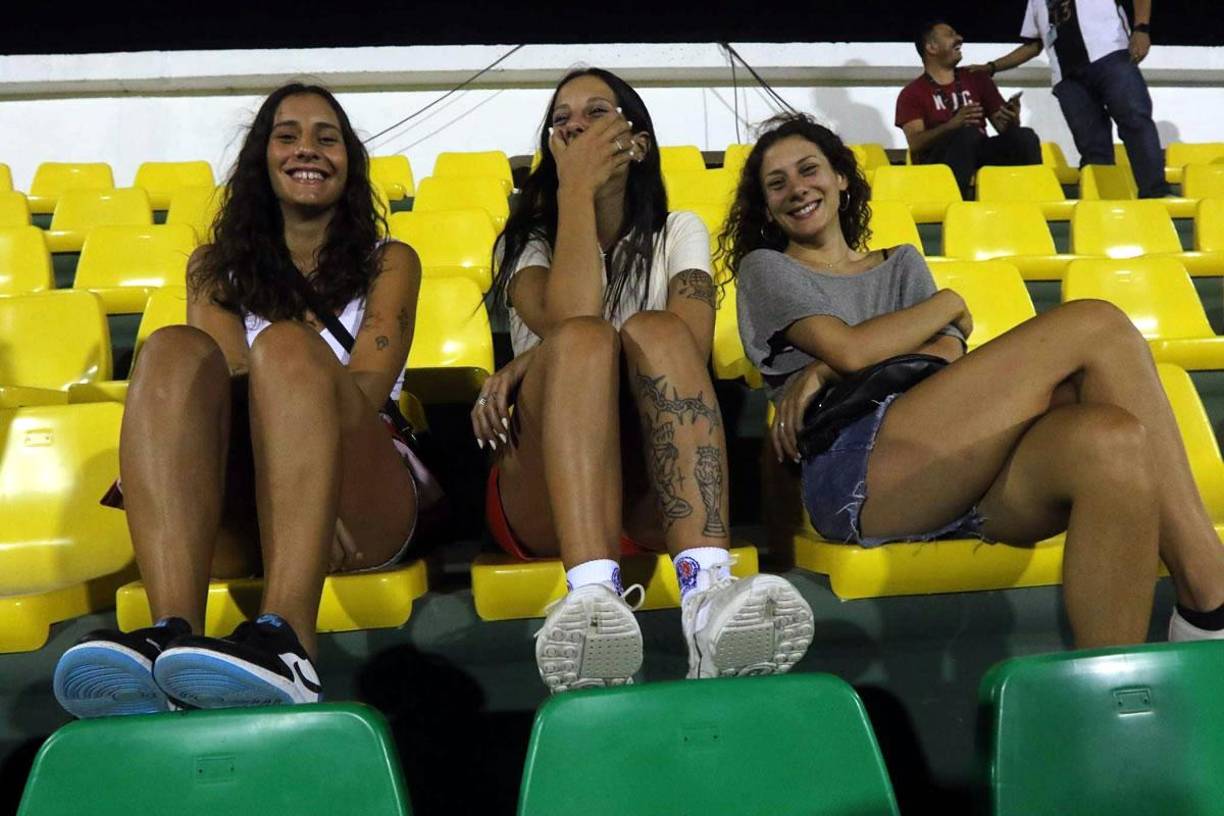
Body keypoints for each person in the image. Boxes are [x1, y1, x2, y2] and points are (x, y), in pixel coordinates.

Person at [722, 113, 1224, 649]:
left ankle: (1113, 681)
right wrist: (947, 302)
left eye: (809, 170)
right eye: (777, 184)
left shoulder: (901, 263)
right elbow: (853, 350)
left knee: (1112, 441)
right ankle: (1211, 599)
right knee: (1097, 324)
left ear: (841, 177)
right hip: (859, 472)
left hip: (954, 463)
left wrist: (824, 368)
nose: (797, 189)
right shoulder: (767, 269)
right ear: (767, 208)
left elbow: (946, 352)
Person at [53, 83, 423, 716]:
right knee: (172, 348)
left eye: (327, 138)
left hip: (361, 494)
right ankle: (171, 632)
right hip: (249, 497)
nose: (307, 149)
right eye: (287, 136)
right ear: (261, 158)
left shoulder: (389, 261)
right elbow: (224, 384)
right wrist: (287, 488)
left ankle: (290, 648)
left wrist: (314, 489)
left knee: (286, 348)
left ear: (350, 162)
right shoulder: (213, 269)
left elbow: (366, 388)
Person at [475, 67, 814, 693]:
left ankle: (706, 594)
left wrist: (526, 360)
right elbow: (573, 323)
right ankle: (591, 599)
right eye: (561, 120)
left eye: (595, 113)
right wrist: (576, 192)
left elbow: (687, 348)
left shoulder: (678, 230)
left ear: (637, 142)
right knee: (582, 339)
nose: (575, 126)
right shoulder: (524, 244)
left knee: (659, 330)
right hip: (547, 489)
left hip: (651, 483)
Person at [974, 0, 1171, 197]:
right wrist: (992, 67)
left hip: (1110, 55)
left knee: (1135, 120)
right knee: (1092, 147)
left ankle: (1156, 194)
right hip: (1067, 79)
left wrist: (1141, 29)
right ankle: (1105, 203)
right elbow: (1033, 44)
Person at [897, 20, 1042, 198]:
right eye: (950, 35)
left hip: (979, 151)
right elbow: (915, 143)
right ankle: (954, 203)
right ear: (932, 47)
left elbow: (1002, 128)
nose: (959, 38)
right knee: (967, 133)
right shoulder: (912, 93)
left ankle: (1033, 201)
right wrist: (952, 125)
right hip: (938, 162)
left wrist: (1012, 119)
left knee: (1025, 137)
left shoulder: (976, 78)